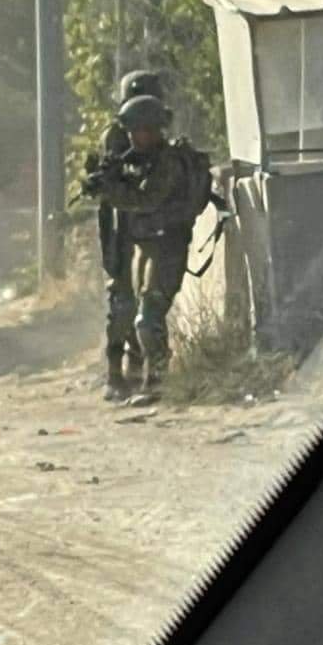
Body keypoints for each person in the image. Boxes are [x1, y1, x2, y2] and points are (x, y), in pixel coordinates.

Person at [82, 92, 196, 403]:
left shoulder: (168, 162)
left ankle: (157, 383)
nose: (135, 137)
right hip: (144, 246)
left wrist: (111, 190)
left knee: (148, 319)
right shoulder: (138, 159)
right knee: (133, 314)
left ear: (156, 129)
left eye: (141, 130)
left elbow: (147, 200)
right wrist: (101, 179)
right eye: (132, 131)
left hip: (166, 247)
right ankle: (144, 381)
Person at [93, 70, 171, 402]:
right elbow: (110, 181)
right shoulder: (115, 136)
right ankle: (115, 371)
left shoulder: (158, 139)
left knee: (147, 302)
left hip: (150, 228)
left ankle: (146, 373)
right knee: (121, 302)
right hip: (121, 226)